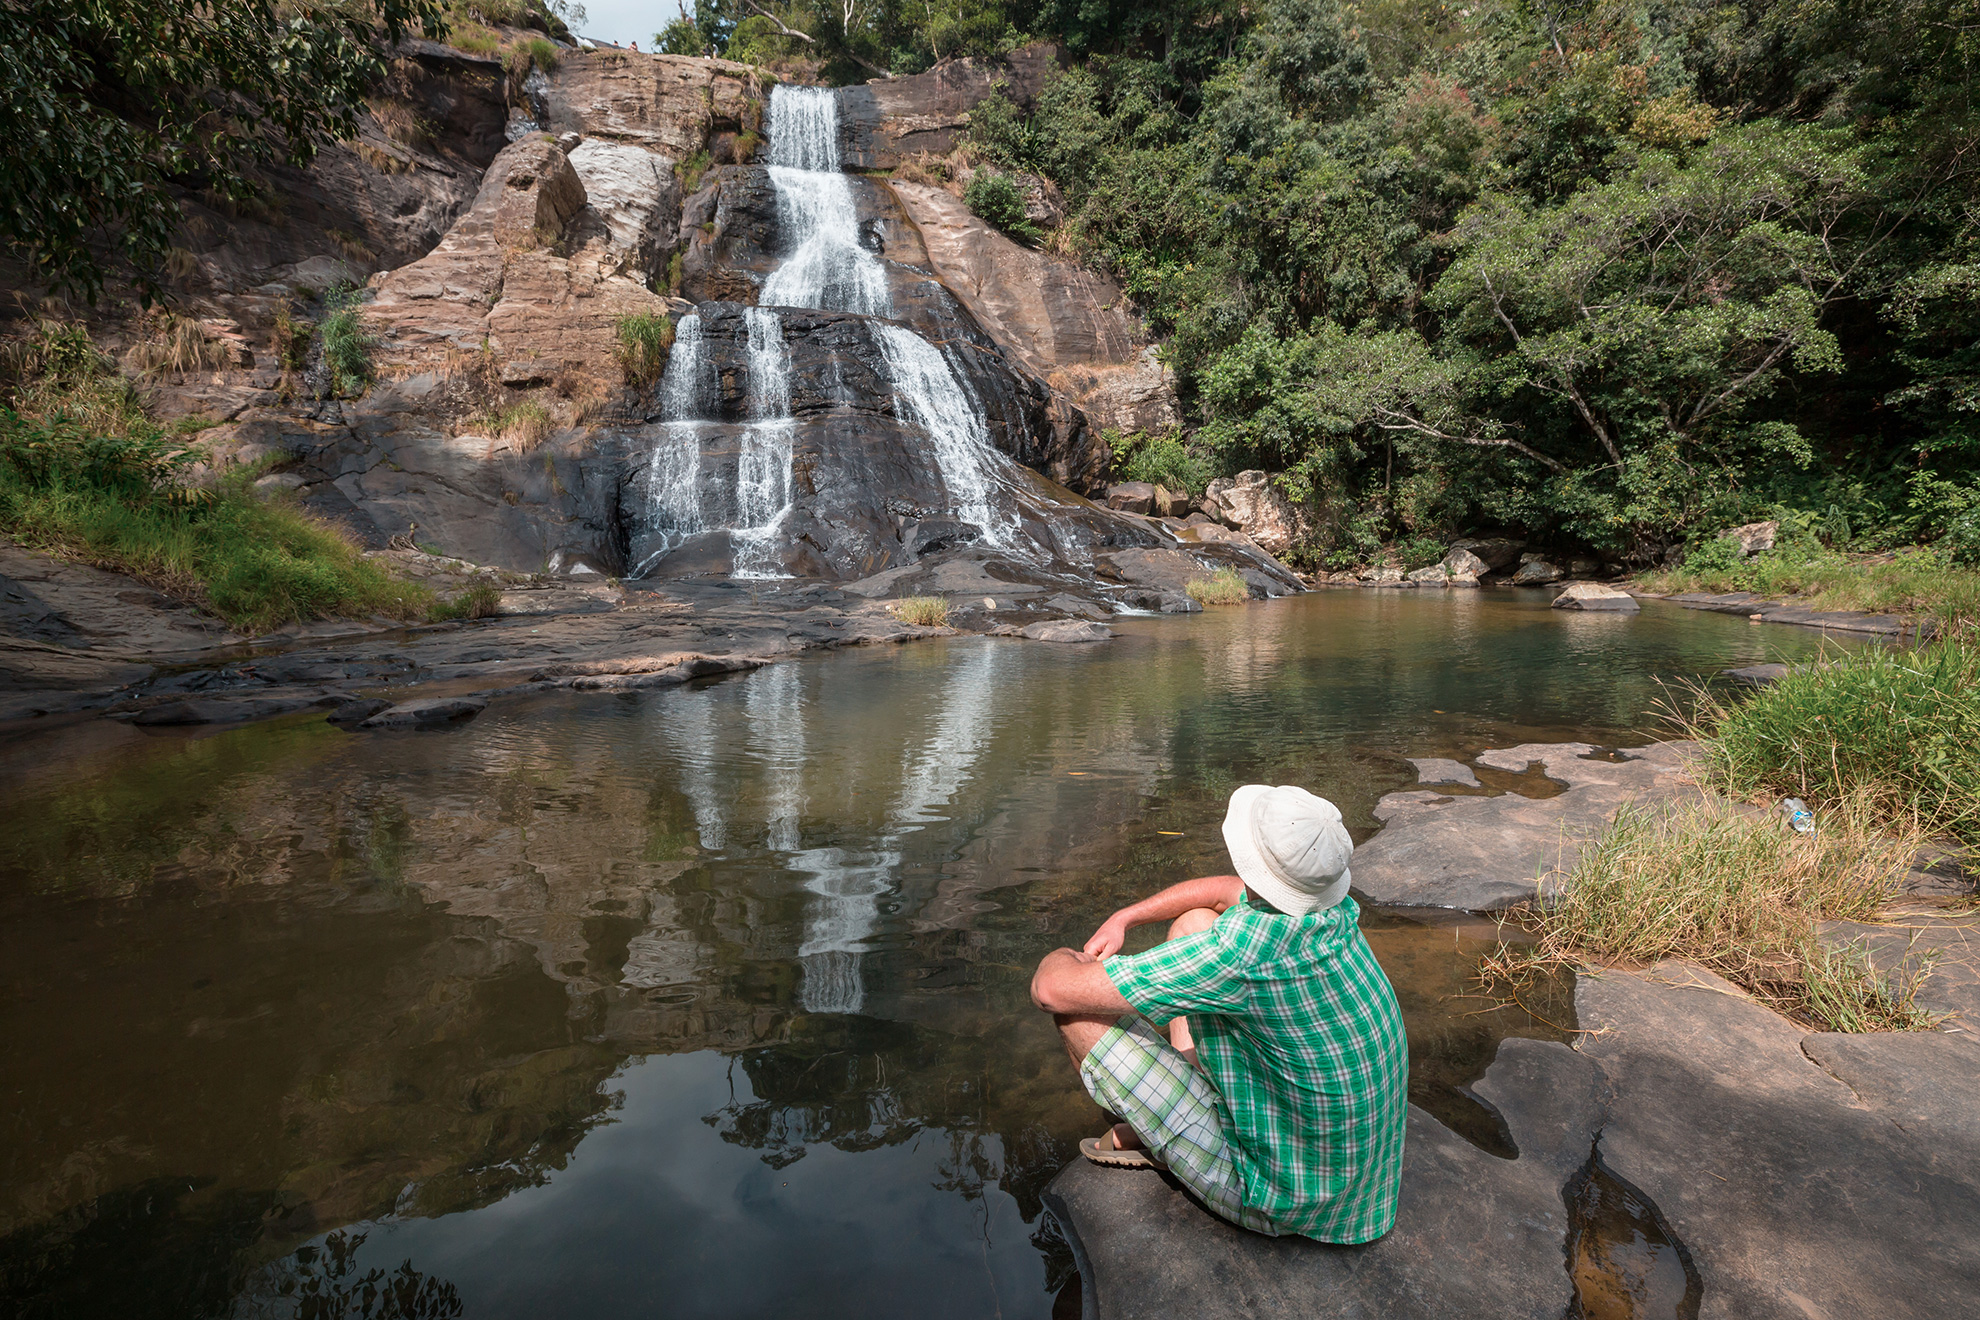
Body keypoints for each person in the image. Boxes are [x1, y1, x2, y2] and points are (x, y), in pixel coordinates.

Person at [1029, 784, 1408, 1243]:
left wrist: (1071, 960)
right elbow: (1224, 891)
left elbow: (1050, 990)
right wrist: (1125, 917)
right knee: (1193, 923)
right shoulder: (1333, 910)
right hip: (1360, 1191)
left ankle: (1153, 1132)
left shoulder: (1243, 953)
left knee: (1078, 1013)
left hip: (1283, 1201)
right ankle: (1175, 1105)